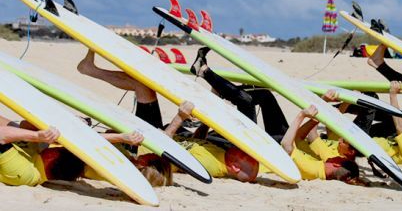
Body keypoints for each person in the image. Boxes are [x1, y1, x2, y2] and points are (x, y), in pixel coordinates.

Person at [78, 49, 260, 182]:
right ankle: (90, 69)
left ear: (235, 167)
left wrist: (180, 117)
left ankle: (90, 70)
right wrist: (204, 124)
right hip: (158, 133)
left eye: (245, 155)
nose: (245, 149)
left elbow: (164, 152)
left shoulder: (210, 166)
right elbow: (196, 143)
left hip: (146, 143)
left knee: (143, 88)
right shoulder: (224, 154)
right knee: (144, 87)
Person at [0, 115, 172, 187]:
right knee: (22, 125)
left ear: (146, 164)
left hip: (30, 172)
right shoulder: (125, 156)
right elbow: (94, 138)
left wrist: (37, 136)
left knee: (7, 135)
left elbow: (87, 143)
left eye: (153, 157)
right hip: (36, 153)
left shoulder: (115, 170)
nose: (151, 153)